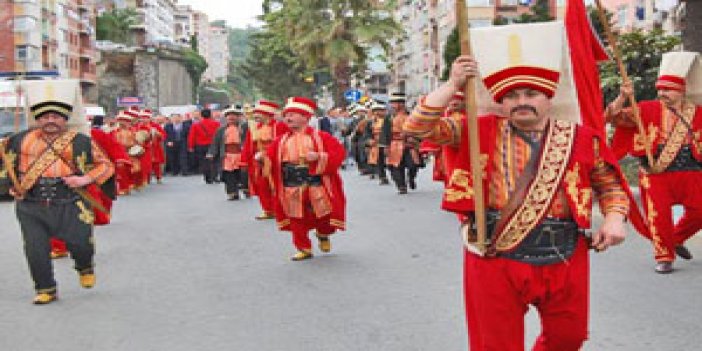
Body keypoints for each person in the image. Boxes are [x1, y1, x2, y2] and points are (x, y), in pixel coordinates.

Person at [403, 23, 633, 350]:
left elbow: (609, 184)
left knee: (569, 338)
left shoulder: (581, 138)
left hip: (564, 252)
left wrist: (614, 218)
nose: (521, 101)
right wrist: (452, 84)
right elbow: (417, 127)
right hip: (495, 253)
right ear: (502, 101)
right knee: (494, 344)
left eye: (530, 94)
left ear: (548, 97)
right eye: (511, 95)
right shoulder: (476, 129)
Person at [1, 80, 114, 304]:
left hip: (70, 200)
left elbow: (106, 166)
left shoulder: (81, 141)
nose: (50, 121)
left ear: (65, 119)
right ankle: (45, 288)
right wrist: (10, 186)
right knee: (35, 249)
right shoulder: (18, 140)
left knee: (81, 244)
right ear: (37, 119)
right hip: (31, 202)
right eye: (45, 117)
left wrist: (84, 178)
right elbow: (5, 166)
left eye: (56, 117)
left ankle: (84, 266)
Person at [607, 51, 702, 273]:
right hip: (656, 172)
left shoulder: (697, 112)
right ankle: (665, 256)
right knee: (658, 217)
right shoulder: (646, 109)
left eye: (668, 89)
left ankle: (675, 239)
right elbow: (613, 116)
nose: (662, 92)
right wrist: (623, 96)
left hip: (691, 170)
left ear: (682, 91)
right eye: (660, 88)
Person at [265, 97, 346, 261]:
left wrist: (318, 156)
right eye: (286, 115)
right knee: (296, 217)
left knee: (324, 215)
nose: (288, 118)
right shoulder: (280, 141)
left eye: (293, 114)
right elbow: (270, 160)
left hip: (315, 184)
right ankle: (303, 248)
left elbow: (338, 154)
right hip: (291, 185)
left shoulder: (321, 137)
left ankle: (323, 234)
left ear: (306, 117)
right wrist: (262, 158)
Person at [242, 100, 290, 219]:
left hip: (275, 159)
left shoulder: (279, 126)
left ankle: (280, 208)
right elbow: (248, 145)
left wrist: (270, 154)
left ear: (267, 114)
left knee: (277, 184)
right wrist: (245, 159)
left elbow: (284, 143)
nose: (256, 115)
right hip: (259, 161)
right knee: (262, 185)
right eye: (256, 113)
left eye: (259, 113)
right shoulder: (254, 128)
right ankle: (267, 209)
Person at [387, 92, 423, 194]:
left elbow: (419, 129)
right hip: (395, 144)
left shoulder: (412, 115)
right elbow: (385, 133)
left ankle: (411, 178)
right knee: (396, 166)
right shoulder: (389, 117)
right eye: (393, 103)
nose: (394, 105)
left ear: (402, 104)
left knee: (413, 165)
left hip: (409, 144)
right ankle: (401, 186)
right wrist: (385, 146)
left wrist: (416, 139)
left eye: (397, 102)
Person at [207, 106, 246, 200]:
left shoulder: (244, 129)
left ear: (238, 117)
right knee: (228, 175)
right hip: (227, 155)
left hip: (240, 154)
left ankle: (244, 189)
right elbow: (215, 142)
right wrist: (211, 153)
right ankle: (232, 192)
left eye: (234, 115)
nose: (231, 118)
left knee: (241, 174)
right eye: (229, 116)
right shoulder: (221, 130)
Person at [188, 108, 220, 184]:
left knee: (204, 162)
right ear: (210, 114)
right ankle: (214, 176)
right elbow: (219, 135)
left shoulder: (196, 125)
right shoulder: (216, 124)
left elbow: (192, 136)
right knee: (214, 161)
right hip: (213, 145)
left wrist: (191, 146)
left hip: (200, 145)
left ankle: (207, 177)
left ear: (201, 115)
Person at [366, 101, 391, 185]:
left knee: (390, 160)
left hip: (388, 141)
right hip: (376, 143)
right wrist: (369, 140)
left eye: (380, 110)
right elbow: (367, 133)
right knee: (379, 160)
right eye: (376, 110)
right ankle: (382, 177)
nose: (378, 112)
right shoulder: (370, 122)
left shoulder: (389, 120)